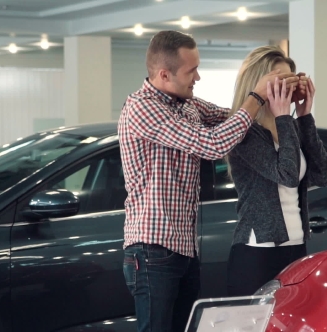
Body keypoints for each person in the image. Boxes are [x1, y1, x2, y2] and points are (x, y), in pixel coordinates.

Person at [118, 31, 300, 332]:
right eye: (192, 71)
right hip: (151, 250)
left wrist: (281, 97)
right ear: (164, 74)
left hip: (183, 249)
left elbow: (232, 119)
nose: (198, 77)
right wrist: (255, 96)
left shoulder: (187, 105)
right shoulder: (143, 109)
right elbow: (214, 144)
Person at [225, 46, 327, 296]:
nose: (286, 86)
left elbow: (323, 175)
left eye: (290, 79)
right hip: (258, 251)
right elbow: (287, 175)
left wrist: (304, 115)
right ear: (258, 83)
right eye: (279, 80)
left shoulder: (289, 128)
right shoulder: (245, 133)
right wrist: (284, 117)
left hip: (296, 246)